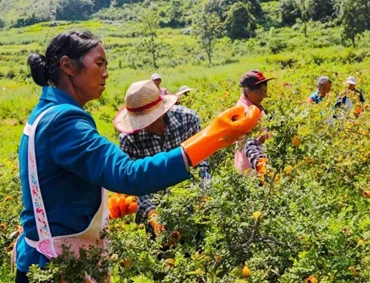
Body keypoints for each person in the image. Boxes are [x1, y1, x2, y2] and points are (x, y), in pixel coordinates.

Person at [14, 31, 260, 283]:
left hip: (46, 258)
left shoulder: (47, 113)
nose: (106, 72)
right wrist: (214, 136)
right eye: (99, 63)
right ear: (67, 65)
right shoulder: (63, 121)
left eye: (106, 65)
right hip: (53, 266)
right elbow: (129, 174)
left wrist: (99, 208)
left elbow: (55, 188)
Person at [115, 80, 211, 237]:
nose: (147, 126)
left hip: (193, 209)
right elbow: (133, 184)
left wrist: (203, 195)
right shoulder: (130, 140)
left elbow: (202, 163)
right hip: (155, 216)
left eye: (151, 119)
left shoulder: (187, 120)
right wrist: (151, 214)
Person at [234, 70, 273, 176]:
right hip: (251, 170)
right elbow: (249, 143)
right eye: (260, 92)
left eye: (265, 91)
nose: (263, 96)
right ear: (247, 90)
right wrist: (260, 164)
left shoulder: (254, 105)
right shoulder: (244, 112)